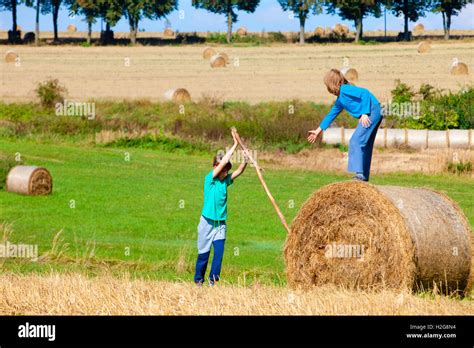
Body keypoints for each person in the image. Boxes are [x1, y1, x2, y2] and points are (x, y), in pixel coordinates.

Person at [307, 69, 383, 182]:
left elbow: (365, 93)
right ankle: (364, 177)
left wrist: (364, 113)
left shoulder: (345, 89)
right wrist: (318, 130)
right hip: (375, 110)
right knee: (365, 144)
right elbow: (331, 115)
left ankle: (359, 175)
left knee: (355, 141)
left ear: (331, 83)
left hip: (372, 111)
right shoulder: (340, 100)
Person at [194, 130, 248, 286]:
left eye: (226, 170)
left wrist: (245, 160)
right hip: (206, 223)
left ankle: (213, 282)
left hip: (220, 225)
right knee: (203, 255)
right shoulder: (209, 179)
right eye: (223, 169)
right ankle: (198, 281)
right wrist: (235, 145)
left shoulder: (226, 181)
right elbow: (224, 162)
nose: (226, 172)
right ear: (215, 167)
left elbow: (239, 171)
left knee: (218, 255)